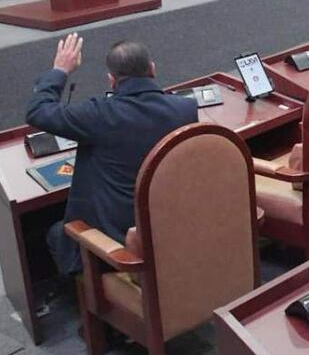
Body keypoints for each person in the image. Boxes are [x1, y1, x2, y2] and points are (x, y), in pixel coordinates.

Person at [27, 35, 198, 275]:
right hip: (170, 226)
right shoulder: (186, 109)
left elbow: (38, 111)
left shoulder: (97, 115)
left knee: (57, 234)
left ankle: (91, 300)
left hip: (118, 243)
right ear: (153, 69)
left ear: (111, 81)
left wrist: (60, 70)